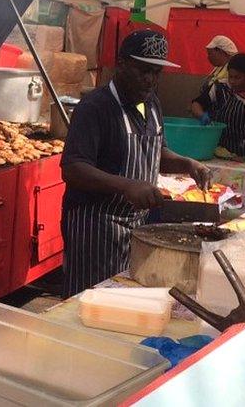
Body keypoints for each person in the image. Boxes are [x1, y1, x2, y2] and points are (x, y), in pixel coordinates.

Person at [60, 30, 211, 298]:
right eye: (143, 71)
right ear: (122, 63)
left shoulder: (150, 104)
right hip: (95, 228)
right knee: (89, 304)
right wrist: (127, 186)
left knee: (125, 301)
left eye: (156, 73)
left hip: (138, 228)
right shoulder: (95, 107)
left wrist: (187, 164)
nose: (150, 80)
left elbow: (154, 151)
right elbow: (73, 168)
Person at [191, 53, 245, 158]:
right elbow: (196, 104)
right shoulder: (220, 87)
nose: (232, 81)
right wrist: (202, 116)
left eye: (237, 77)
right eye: (230, 76)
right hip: (220, 151)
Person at [193, 35, 238, 123]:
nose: (208, 57)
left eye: (210, 53)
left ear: (221, 52)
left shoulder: (231, 71)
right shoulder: (219, 68)